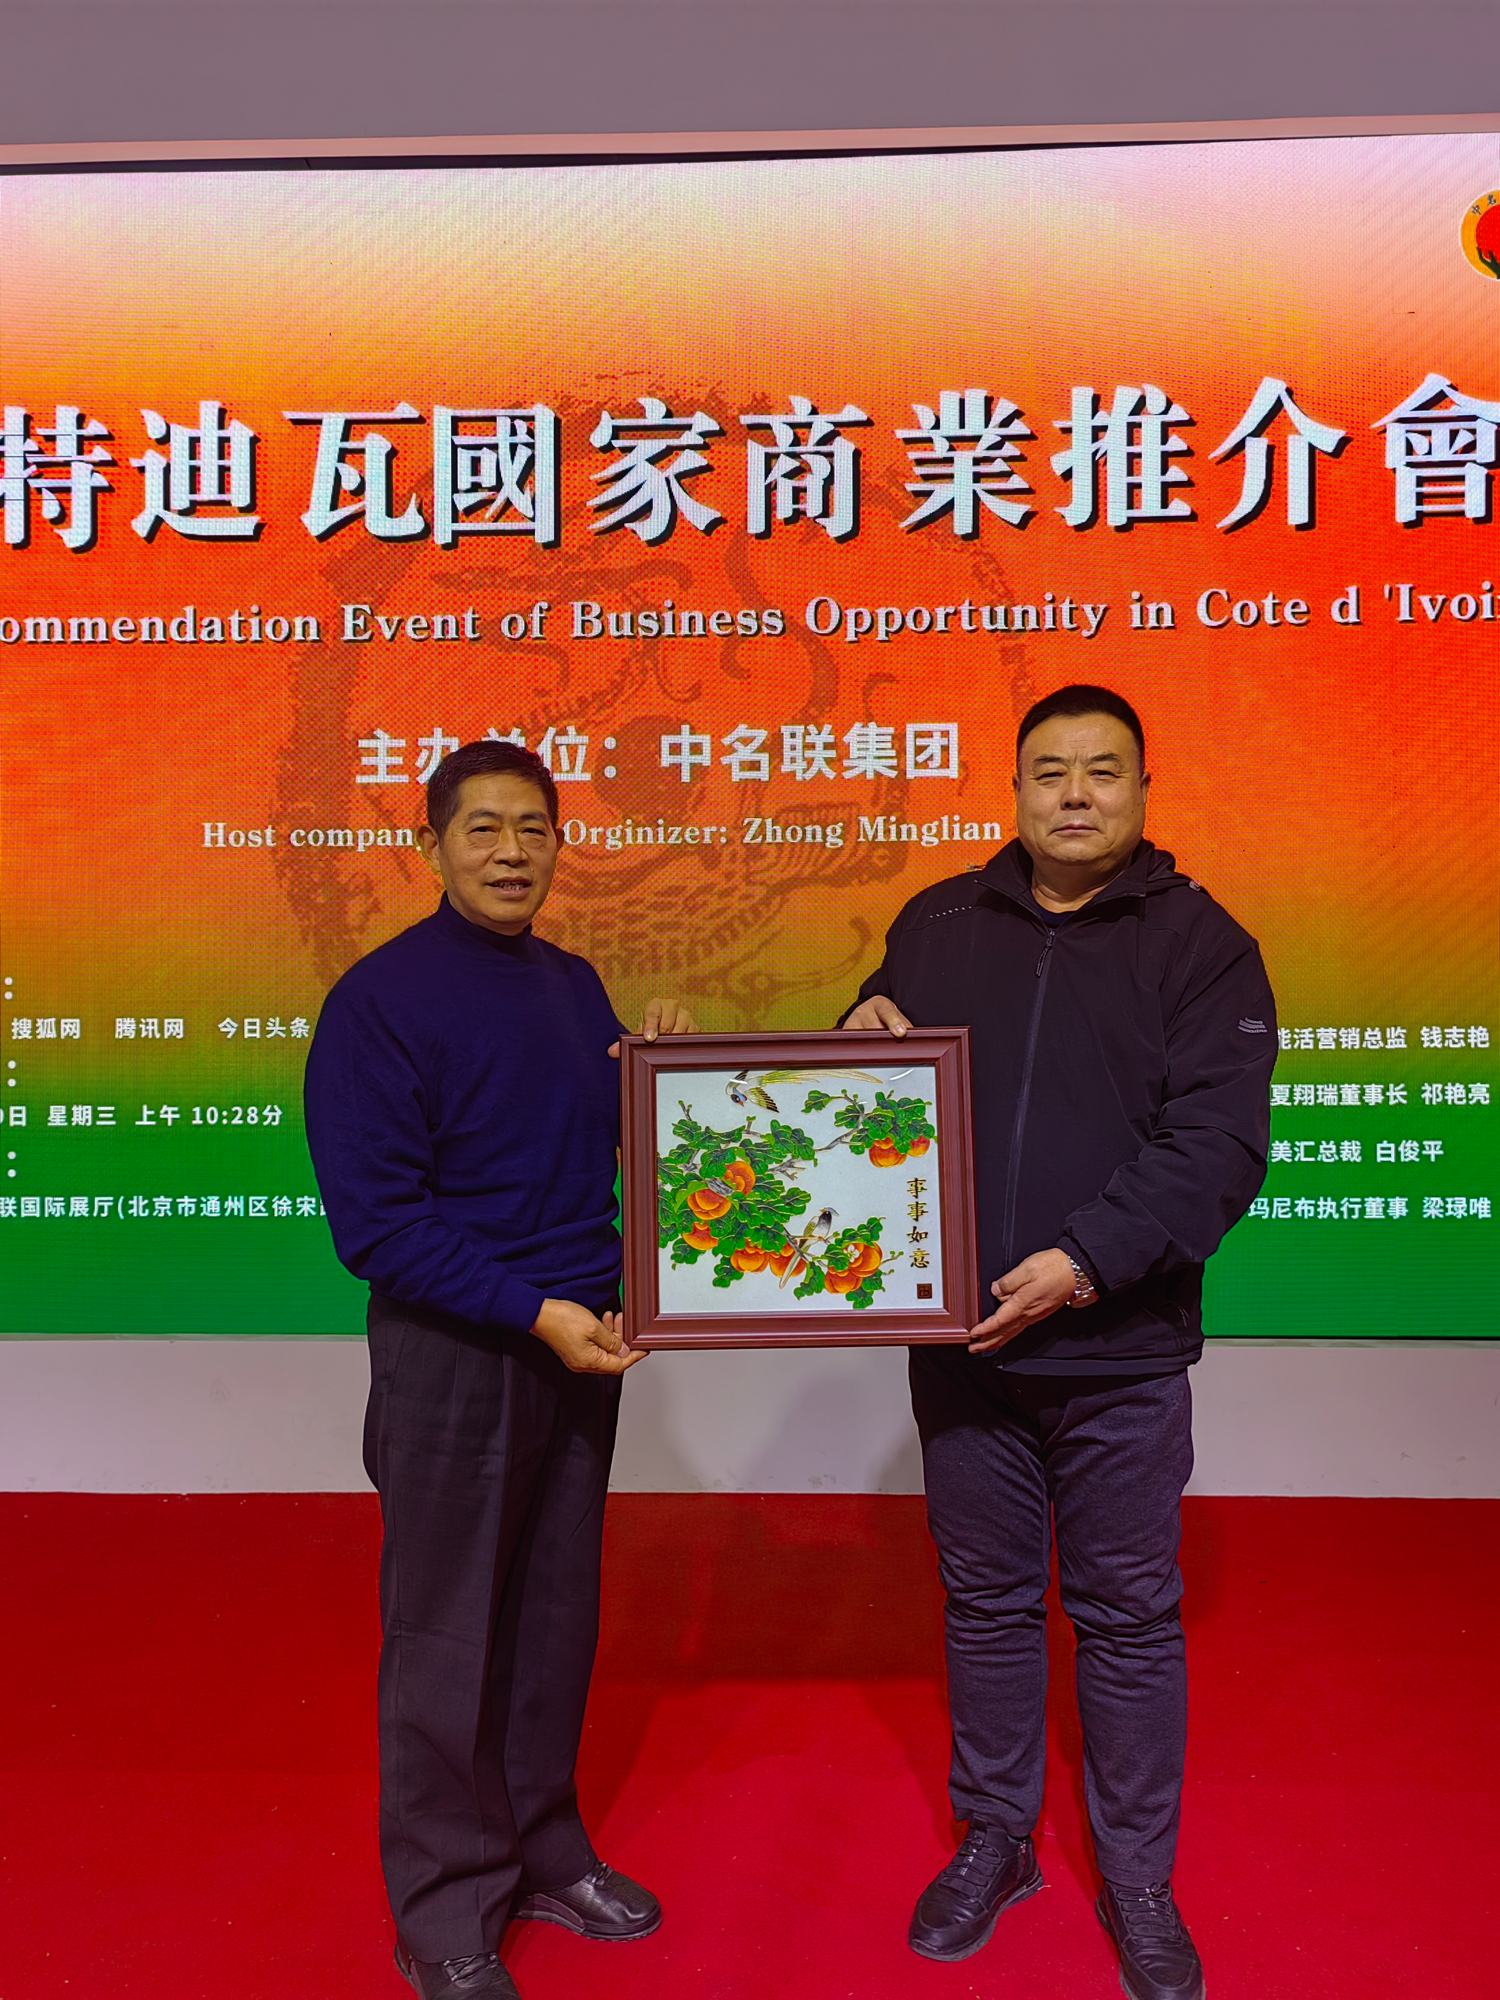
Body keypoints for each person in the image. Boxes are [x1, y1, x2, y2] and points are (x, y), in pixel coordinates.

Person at [841, 685, 1275, 2000]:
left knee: (1128, 1618)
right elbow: (877, 1076)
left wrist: (1085, 1262)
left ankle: (1138, 1875)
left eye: (1102, 770)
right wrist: (856, 1030)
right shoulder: (936, 924)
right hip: (964, 1346)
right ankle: (997, 1837)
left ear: (1143, 789)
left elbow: (1216, 1146)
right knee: (983, 1604)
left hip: (1121, 1357)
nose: (1075, 793)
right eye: (1049, 771)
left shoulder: (1204, 946)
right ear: (1015, 789)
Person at [304, 740, 696, 2000]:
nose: (512, 852)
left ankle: (543, 1848)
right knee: (447, 1634)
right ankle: (441, 1908)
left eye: (534, 827)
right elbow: (378, 1224)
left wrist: (667, 1072)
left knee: (552, 1616)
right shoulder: (379, 1001)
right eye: (482, 828)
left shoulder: (573, 987)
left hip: (582, 1346)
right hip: (461, 1354)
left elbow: (613, 1144)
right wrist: (533, 1311)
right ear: (430, 845)